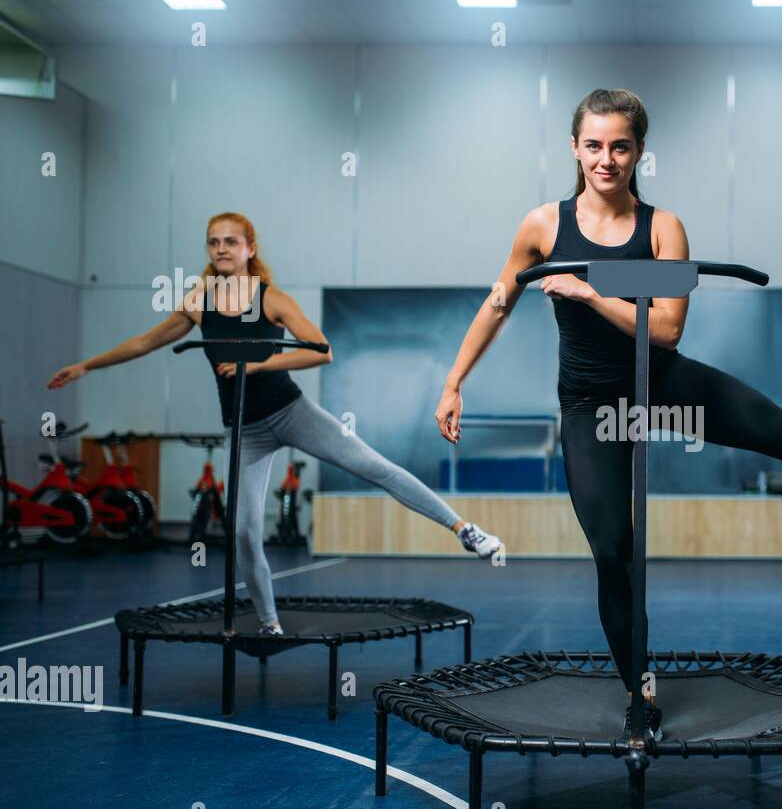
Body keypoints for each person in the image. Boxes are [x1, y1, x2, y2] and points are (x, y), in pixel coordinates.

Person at [434, 88, 782, 741]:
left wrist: (588, 290)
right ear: (573, 147)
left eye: (619, 145)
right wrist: (454, 381)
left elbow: (665, 331)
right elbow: (500, 300)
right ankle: (638, 691)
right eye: (593, 145)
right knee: (612, 548)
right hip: (589, 401)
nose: (605, 159)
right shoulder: (541, 227)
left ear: (639, 149)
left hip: (660, 378)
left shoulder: (663, 228)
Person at [49, 212, 501, 634]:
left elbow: (322, 349)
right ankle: (269, 625)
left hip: (292, 412)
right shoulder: (198, 302)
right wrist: (87, 365)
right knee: (243, 530)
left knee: (375, 467)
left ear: (249, 248)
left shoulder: (271, 300)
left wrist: (258, 365)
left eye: (231, 242)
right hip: (244, 429)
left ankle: (464, 530)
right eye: (213, 243)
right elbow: (146, 341)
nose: (221, 249)